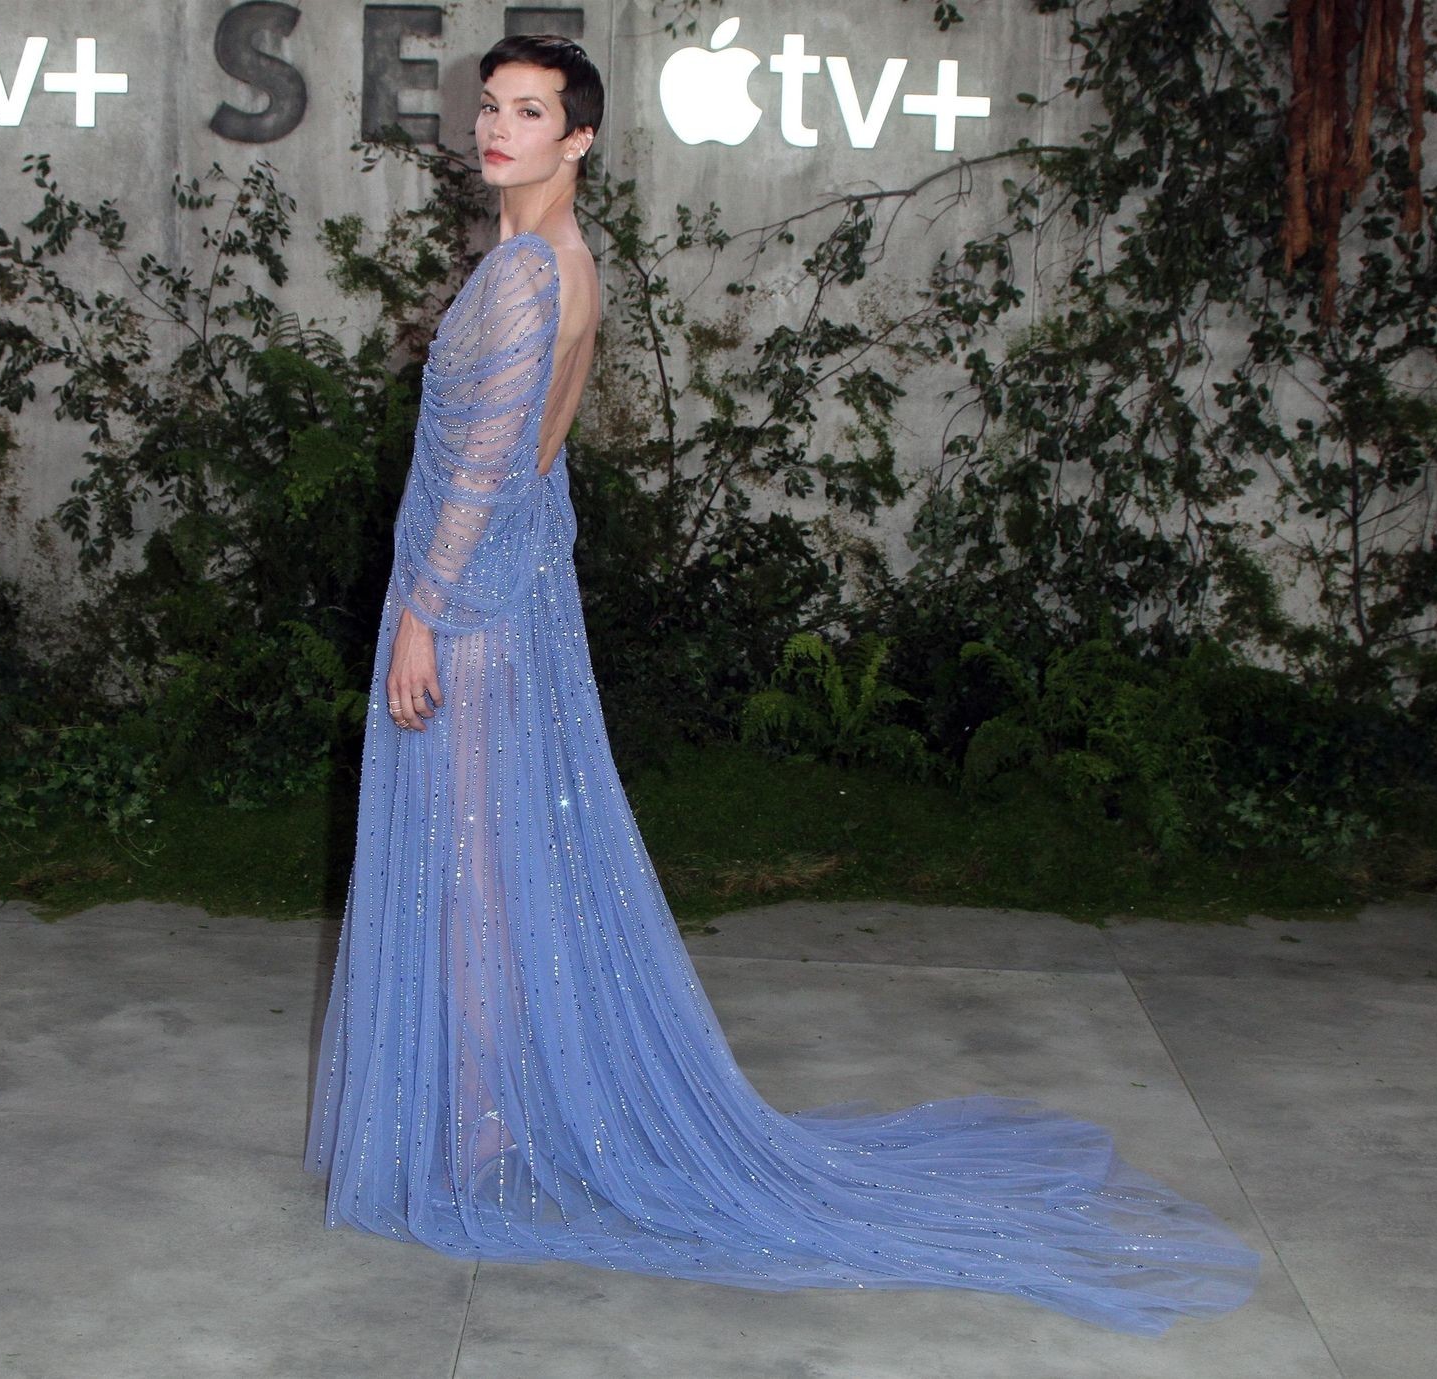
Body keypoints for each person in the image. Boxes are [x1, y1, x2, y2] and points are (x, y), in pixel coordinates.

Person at [303, 33, 1263, 1337]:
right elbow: (535, 462)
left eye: (527, 111)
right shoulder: (564, 262)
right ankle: (493, 1112)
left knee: (469, 862)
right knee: (487, 856)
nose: (495, 127)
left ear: (578, 138)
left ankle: (477, 1128)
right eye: (490, 105)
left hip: (465, 606)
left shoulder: (529, 275)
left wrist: (423, 609)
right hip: (496, 596)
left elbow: (484, 464)